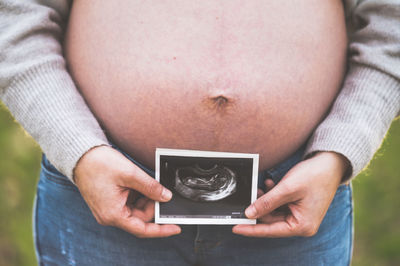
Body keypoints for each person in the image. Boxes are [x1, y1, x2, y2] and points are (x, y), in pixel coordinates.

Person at [0, 0, 399, 265]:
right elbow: (17, 19)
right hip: (102, 200)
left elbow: (391, 30)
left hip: (291, 200)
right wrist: (79, 150)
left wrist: (338, 153)